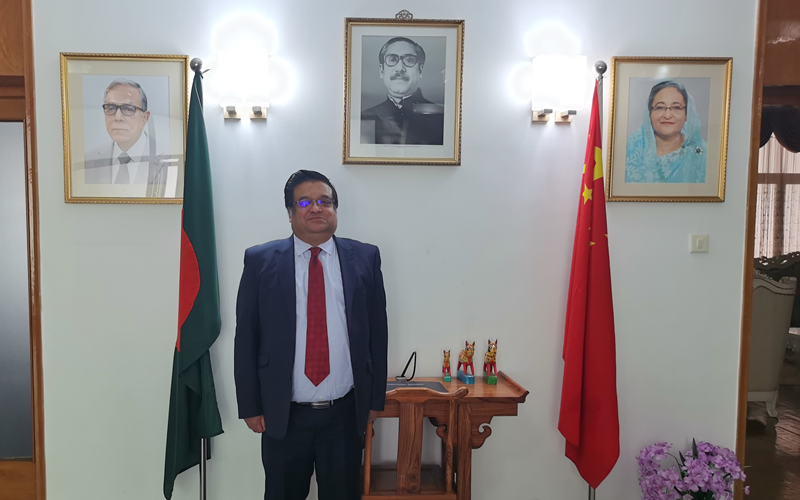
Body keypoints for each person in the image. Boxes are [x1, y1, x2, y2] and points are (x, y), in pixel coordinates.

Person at [234, 170, 389, 500]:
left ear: (335, 210)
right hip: (283, 415)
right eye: (305, 202)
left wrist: (375, 400)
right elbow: (246, 337)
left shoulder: (365, 257)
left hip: (345, 414)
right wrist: (250, 405)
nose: (317, 208)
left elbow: (378, 333)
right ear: (290, 213)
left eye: (325, 201)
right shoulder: (260, 261)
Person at [83, 78, 171, 196]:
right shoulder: (88, 161)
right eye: (111, 108)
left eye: (128, 109)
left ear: (145, 118)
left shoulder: (169, 158)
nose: (118, 117)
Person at [361, 37, 444, 145]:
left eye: (409, 60)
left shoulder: (442, 118)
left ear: (420, 70)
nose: (400, 68)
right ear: (381, 70)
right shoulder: (365, 117)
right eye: (392, 59)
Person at [625, 80, 707, 183]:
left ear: (687, 114)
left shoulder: (703, 155)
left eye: (676, 107)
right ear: (649, 113)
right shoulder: (628, 151)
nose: (667, 115)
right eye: (660, 107)